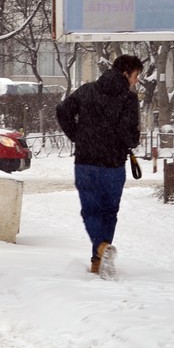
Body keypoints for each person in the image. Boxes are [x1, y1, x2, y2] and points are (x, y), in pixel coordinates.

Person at [55, 54, 142, 277]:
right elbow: (129, 134)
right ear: (125, 73)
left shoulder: (87, 90)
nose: (136, 81)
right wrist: (131, 140)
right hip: (114, 165)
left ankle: (99, 254)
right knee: (109, 213)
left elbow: (62, 111)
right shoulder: (128, 99)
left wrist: (77, 136)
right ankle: (101, 252)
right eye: (135, 76)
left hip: (86, 163)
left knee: (91, 211)